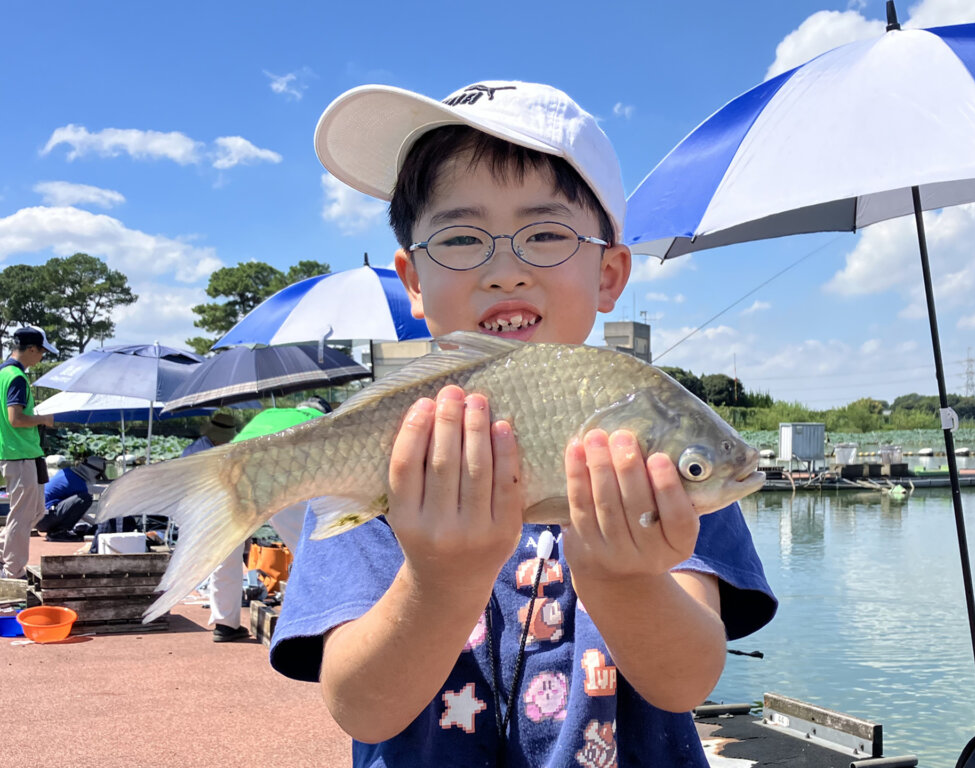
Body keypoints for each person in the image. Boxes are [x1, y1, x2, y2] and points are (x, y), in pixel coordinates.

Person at [270, 81, 777, 767]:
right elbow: (360, 707)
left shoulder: (656, 445)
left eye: (544, 233)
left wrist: (628, 580)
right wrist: (439, 581)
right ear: (412, 281)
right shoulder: (396, 451)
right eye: (459, 237)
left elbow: (685, 682)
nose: (504, 270)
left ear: (610, 271)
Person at [205, 396, 332, 643]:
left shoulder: (269, 414)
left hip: (231, 476)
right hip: (279, 476)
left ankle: (225, 624)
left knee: (225, 552)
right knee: (312, 548)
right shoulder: (324, 422)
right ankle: (320, 624)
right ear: (323, 412)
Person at [0, 326, 57, 579]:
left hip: (22, 454)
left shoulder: (3, 373)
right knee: (22, 518)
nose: (42, 357)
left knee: (35, 513)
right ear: (32, 349)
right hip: (19, 454)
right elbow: (16, 418)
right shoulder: (17, 377)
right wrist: (43, 418)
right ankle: (13, 573)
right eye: (42, 352)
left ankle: (5, 553)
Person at [36, 454, 107, 542]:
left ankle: (57, 531)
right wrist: (98, 525)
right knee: (85, 498)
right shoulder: (79, 484)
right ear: (94, 473)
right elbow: (81, 509)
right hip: (45, 519)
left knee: (83, 498)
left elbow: (75, 511)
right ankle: (59, 533)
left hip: (38, 518)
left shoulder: (67, 473)